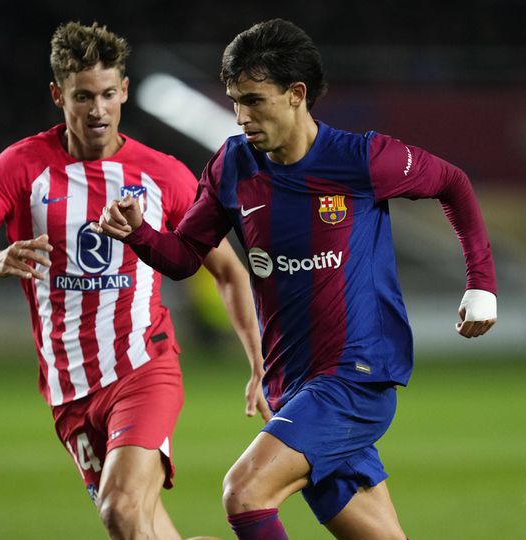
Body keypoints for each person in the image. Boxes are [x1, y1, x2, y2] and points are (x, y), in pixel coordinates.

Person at [97, 18, 498, 540]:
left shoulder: (361, 159)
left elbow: (452, 182)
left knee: (244, 492)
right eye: (235, 100)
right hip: (294, 388)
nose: (241, 115)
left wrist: (481, 282)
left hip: (356, 378)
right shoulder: (232, 167)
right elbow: (185, 257)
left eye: (255, 100)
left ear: (296, 95)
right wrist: (139, 233)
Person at [0, 21, 266, 540]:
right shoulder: (19, 168)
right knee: (140, 531)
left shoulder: (164, 175)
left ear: (125, 92)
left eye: (109, 94)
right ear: (56, 95)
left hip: (143, 368)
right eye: (82, 96)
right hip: (68, 390)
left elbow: (227, 269)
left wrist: (256, 360)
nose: (97, 109)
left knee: (119, 509)